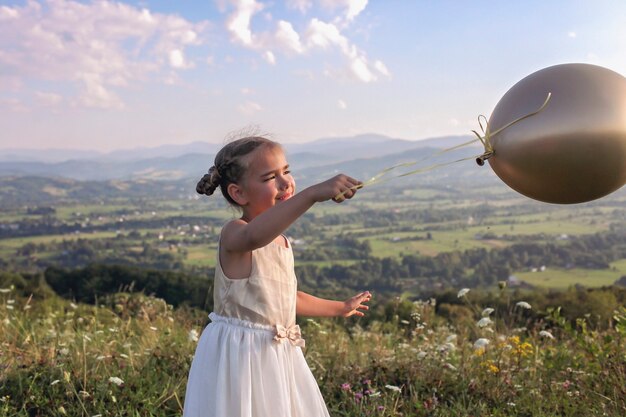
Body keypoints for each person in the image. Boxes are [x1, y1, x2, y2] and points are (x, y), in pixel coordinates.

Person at [183, 135, 372, 417]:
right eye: (271, 177)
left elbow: (285, 299)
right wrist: (310, 194)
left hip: (278, 354)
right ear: (239, 194)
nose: (285, 183)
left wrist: (340, 307)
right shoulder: (236, 233)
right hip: (240, 359)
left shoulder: (280, 242)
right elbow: (254, 235)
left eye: (287, 171)